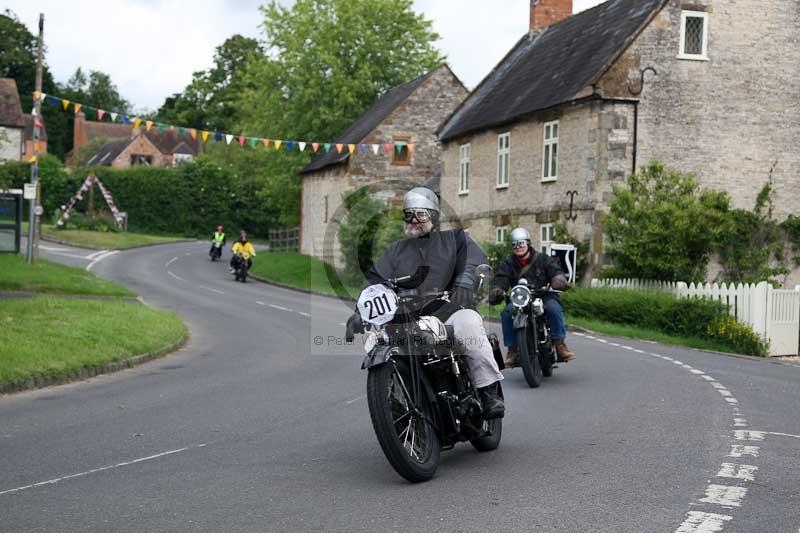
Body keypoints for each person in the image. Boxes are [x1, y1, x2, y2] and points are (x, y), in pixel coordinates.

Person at [346, 186, 505, 419]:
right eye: (408, 214)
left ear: (434, 217)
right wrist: (360, 312)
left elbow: (474, 258)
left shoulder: (455, 239)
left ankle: (488, 392)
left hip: (451, 310)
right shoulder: (394, 251)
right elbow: (374, 283)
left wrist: (464, 279)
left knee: (469, 325)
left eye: (421, 214)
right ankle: (397, 400)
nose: (413, 220)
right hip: (408, 318)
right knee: (378, 342)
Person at [488, 227, 575, 366]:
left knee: (554, 308)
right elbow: (501, 279)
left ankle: (560, 345)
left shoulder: (543, 259)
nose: (518, 247)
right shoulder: (508, 263)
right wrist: (497, 290)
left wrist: (558, 279)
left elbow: (555, 271)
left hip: (543, 296)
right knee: (507, 312)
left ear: (528, 243)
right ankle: (513, 350)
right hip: (520, 299)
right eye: (514, 244)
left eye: (521, 243)